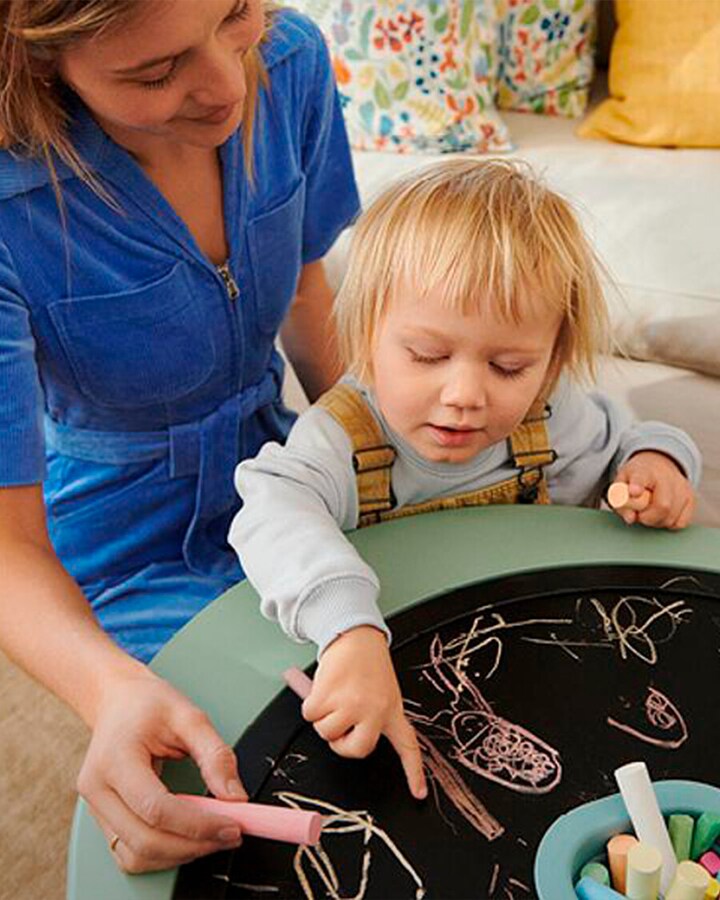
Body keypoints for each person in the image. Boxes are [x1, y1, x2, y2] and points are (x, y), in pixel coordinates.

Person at [0, 0, 360, 874]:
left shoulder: (296, 60)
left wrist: (379, 458)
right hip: (122, 542)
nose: (227, 85)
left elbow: (310, 297)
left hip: (282, 468)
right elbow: (7, 543)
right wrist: (111, 689)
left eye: (235, 11)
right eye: (155, 73)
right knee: (262, 780)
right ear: (36, 61)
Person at [229, 158, 701, 802]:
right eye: (426, 356)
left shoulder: (552, 416)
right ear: (366, 335)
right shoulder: (343, 437)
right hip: (376, 671)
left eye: (509, 367)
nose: (464, 395)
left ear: (553, 364)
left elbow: (629, 440)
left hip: (517, 660)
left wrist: (656, 466)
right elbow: (269, 508)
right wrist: (346, 627)